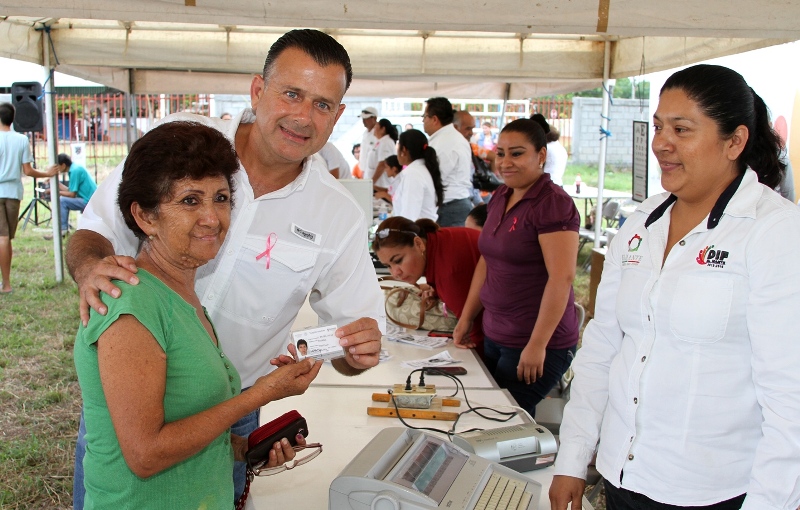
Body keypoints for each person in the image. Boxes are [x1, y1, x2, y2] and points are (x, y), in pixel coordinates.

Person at [67, 29, 385, 507]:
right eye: (291, 93)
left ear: (338, 116)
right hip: (132, 397)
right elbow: (95, 226)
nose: (302, 117)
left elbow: (354, 331)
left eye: (322, 104)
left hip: (232, 408)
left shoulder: (336, 214)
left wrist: (357, 351)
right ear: (258, 91)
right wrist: (91, 267)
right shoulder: (186, 147)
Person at [550, 65, 800, 510]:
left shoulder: (773, 232)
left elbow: (789, 398)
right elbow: (603, 347)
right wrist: (572, 457)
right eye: (659, 126)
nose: (662, 143)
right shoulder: (639, 224)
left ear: (735, 142)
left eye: (682, 129)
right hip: (621, 476)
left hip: (711, 491)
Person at [74, 120, 321, 508]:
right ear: (145, 217)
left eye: (220, 198)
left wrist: (245, 448)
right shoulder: (131, 304)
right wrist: (259, 396)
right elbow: (146, 454)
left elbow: (185, 428)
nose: (212, 217)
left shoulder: (184, 299)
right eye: (190, 200)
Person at [453, 118, 580, 418]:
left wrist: (537, 345)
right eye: (500, 153)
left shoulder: (553, 204)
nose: (505, 162)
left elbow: (561, 278)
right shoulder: (500, 196)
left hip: (535, 342)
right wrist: (467, 317)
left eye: (517, 153)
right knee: (495, 420)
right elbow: (487, 260)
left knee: (504, 422)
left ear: (541, 156)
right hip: (497, 334)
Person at [373, 216, 483, 353]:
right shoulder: (438, 241)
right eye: (388, 266)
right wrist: (437, 289)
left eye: (398, 260)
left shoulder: (448, 271)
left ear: (419, 244)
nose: (396, 273)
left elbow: (474, 334)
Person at [0, 102, 58, 294]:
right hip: (14, 193)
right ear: (13, 118)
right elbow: (28, 170)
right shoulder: (21, 140)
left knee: (1, 238)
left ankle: (5, 284)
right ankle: (7, 284)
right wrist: (48, 173)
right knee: (6, 239)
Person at [422, 97, 473, 227]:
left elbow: (434, 178)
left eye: (425, 116)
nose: (423, 120)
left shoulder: (445, 142)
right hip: (451, 206)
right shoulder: (448, 138)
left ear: (434, 119)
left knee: (449, 246)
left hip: (450, 208)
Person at [387, 129, 443, 222]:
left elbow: (408, 218)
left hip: (416, 233)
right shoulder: (419, 170)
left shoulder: (413, 174)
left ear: (404, 150)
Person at [46, 153, 97, 235]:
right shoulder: (75, 168)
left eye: (57, 167)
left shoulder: (74, 171)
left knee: (62, 201)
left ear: (63, 165)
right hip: (89, 199)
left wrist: (54, 192)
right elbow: (70, 190)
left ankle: (63, 229)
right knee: (63, 199)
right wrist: (56, 184)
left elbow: (72, 194)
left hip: (89, 201)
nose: (57, 169)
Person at [368, 118, 399, 191]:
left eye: (376, 127)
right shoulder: (380, 141)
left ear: (383, 129)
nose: (374, 129)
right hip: (376, 184)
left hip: (381, 184)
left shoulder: (386, 142)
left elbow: (382, 164)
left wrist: (372, 182)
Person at [359, 106, 378, 177]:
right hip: (365, 172)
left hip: (375, 173)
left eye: (366, 118)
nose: (363, 121)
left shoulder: (379, 133)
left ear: (374, 118)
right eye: (363, 118)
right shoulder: (365, 133)